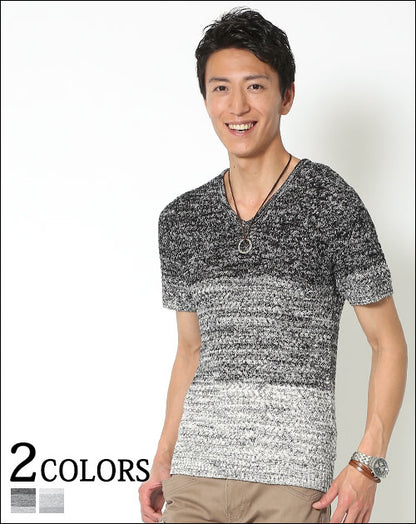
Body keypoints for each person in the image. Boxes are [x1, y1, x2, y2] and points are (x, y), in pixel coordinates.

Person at [139, 7, 408, 524]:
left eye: (255, 86)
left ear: (286, 96)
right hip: (193, 480)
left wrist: (367, 465)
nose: (237, 106)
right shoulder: (181, 218)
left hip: (291, 486)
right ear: (205, 98)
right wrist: (163, 459)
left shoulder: (330, 201)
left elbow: (388, 343)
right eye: (220, 88)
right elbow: (190, 351)